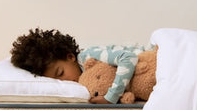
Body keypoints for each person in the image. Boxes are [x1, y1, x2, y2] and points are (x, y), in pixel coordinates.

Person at [9, 28, 153, 104]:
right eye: (57, 80)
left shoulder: (88, 56)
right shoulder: (85, 80)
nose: (64, 81)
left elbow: (128, 58)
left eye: (60, 73)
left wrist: (111, 96)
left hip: (151, 62)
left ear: (70, 57)